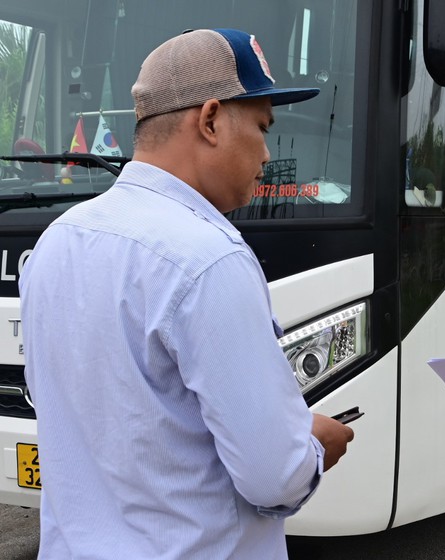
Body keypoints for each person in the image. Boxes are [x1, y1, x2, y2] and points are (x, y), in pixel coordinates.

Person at [20, 28, 354, 559]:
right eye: (263, 128)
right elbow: (275, 477)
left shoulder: (58, 240)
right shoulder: (208, 257)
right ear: (211, 120)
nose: (268, 153)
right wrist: (315, 446)